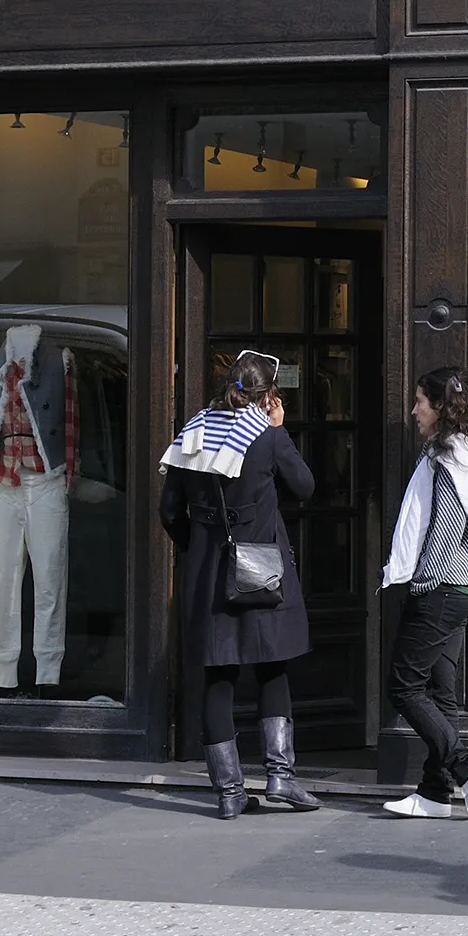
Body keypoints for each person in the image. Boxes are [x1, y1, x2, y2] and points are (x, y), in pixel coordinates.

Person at [160, 350, 320, 819]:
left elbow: (170, 511)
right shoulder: (266, 438)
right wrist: (279, 428)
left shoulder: (192, 433)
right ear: (268, 396)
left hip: (208, 576)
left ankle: (230, 793)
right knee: (272, 667)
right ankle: (279, 777)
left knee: (217, 677)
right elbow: (307, 486)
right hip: (262, 568)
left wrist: (200, 549)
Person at [381, 366, 468, 820]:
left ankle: (465, 766)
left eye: (420, 402)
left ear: (440, 408)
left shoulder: (442, 457)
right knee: (441, 690)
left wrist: (418, 579)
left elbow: (437, 527)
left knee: (404, 686)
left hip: (441, 586)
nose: (413, 411)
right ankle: (434, 792)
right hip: (467, 586)